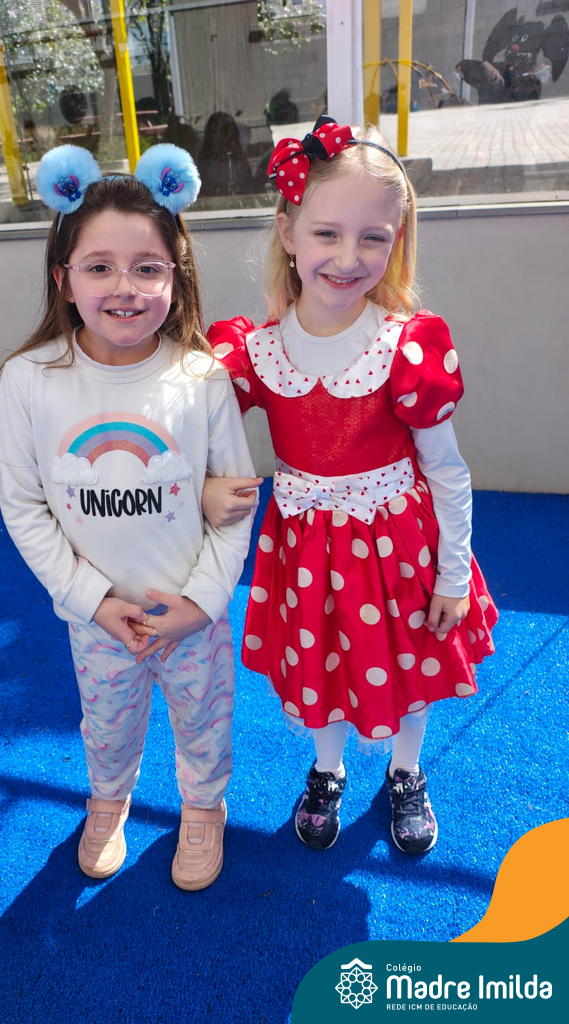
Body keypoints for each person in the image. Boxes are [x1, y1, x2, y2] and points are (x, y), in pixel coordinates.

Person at [203, 116, 498, 855]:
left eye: (373, 237)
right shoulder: (255, 351)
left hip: (400, 550)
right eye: (327, 233)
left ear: (398, 240)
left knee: (411, 664)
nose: (348, 256)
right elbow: (195, 432)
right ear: (288, 231)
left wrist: (452, 573)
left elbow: (448, 471)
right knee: (324, 664)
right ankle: (328, 769)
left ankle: (406, 769)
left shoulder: (406, 345)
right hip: (308, 552)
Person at [0, 143, 256, 890]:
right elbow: (24, 507)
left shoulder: (203, 377)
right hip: (98, 621)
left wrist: (201, 604)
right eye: (99, 266)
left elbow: (235, 503)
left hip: (192, 616)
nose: (125, 287)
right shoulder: (28, 380)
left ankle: (203, 807)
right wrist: (93, 602)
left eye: (147, 267)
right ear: (64, 278)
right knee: (106, 723)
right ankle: (108, 798)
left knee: (204, 721)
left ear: (176, 275)